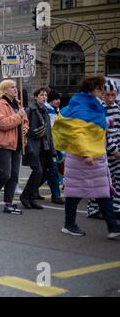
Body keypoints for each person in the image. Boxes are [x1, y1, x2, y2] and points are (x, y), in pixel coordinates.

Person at [52, 76, 120, 239]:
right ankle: (69, 225)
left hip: (94, 158)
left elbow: (94, 127)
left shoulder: (91, 104)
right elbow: (77, 132)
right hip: (82, 158)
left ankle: (113, 227)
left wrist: (107, 123)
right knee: (76, 194)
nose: (103, 93)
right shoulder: (81, 105)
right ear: (92, 89)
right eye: (100, 89)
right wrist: (86, 153)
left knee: (102, 192)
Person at [0, 80, 29, 214]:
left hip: (17, 143)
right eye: (12, 87)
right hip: (3, 143)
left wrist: (25, 127)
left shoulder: (18, 104)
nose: (15, 90)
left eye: (16, 87)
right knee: (5, 173)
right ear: (4, 90)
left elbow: (25, 121)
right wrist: (18, 117)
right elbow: (2, 123)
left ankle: (8, 204)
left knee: (14, 175)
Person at [87, 79, 120, 219]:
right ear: (102, 94)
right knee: (100, 181)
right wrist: (114, 150)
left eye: (113, 94)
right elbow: (103, 134)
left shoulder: (117, 108)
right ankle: (93, 208)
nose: (111, 98)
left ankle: (116, 207)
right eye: (108, 95)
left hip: (116, 150)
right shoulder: (97, 110)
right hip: (102, 151)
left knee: (117, 179)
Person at [20, 88, 54, 210]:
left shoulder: (45, 111)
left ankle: (32, 198)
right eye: (41, 95)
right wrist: (31, 136)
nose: (44, 97)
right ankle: (25, 196)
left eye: (45, 95)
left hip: (44, 146)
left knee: (41, 173)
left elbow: (49, 132)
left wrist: (52, 149)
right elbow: (24, 129)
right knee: (37, 171)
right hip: (33, 146)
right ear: (35, 97)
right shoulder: (30, 110)